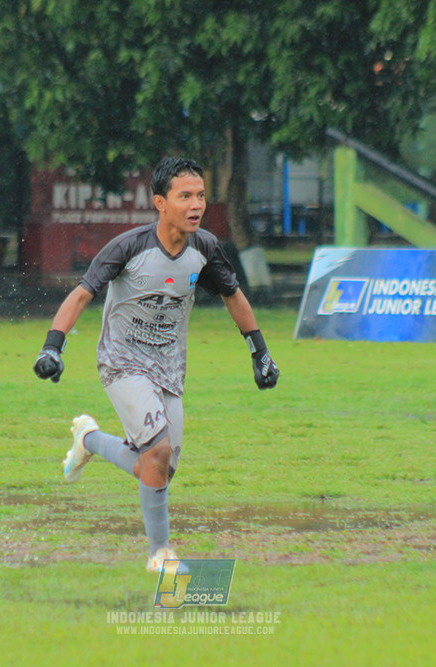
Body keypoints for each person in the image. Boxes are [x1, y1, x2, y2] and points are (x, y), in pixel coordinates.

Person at [33, 156, 279, 573]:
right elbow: (80, 295)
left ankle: (88, 440)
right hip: (121, 362)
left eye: (200, 195)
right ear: (160, 203)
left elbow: (233, 295)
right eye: (185, 196)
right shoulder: (128, 247)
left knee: (158, 468)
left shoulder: (205, 248)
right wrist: (52, 347)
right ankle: (160, 554)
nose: (196, 204)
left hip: (169, 369)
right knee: (158, 450)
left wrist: (260, 351)